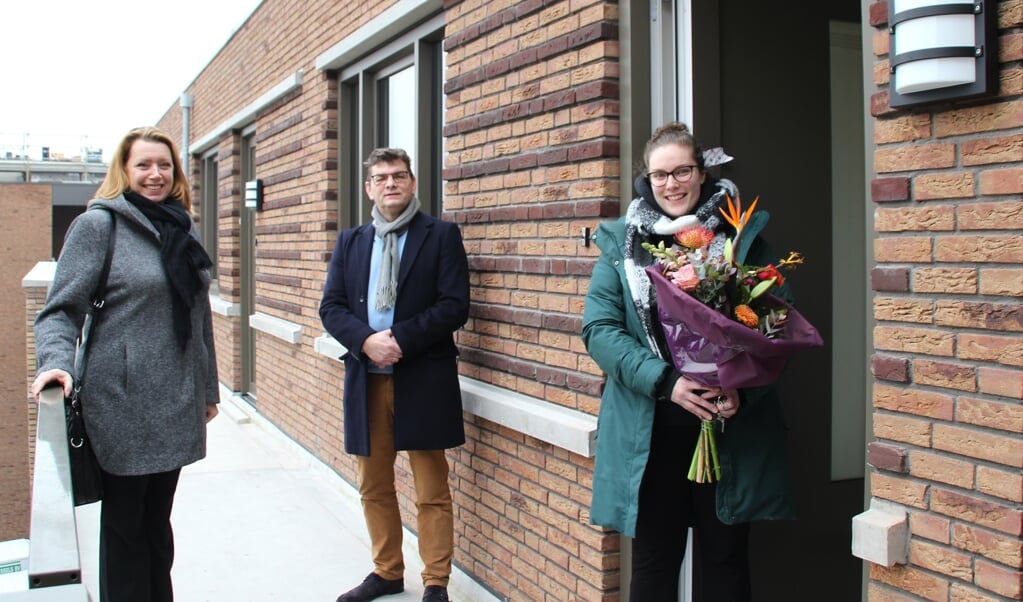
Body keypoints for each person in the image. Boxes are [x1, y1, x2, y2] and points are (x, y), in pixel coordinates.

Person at [581, 122, 795, 601]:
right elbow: (600, 331)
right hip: (650, 432)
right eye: (660, 175)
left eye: (682, 171)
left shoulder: (742, 237)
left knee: (725, 563)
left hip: (727, 429)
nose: (671, 184)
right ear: (646, 180)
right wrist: (667, 382)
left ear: (701, 172)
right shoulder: (621, 243)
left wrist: (744, 385)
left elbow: (777, 324)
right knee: (655, 567)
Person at [31, 126, 219, 602]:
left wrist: (209, 389)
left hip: (176, 403)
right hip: (121, 405)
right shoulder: (99, 227)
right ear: (124, 170)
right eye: (143, 165)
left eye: (164, 165)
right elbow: (60, 311)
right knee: (124, 533)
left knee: (157, 526)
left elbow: (200, 317)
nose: (155, 175)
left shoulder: (181, 226)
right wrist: (56, 364)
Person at [319, 148, 470, 602]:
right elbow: (331, 307)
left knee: (430, 488)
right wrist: (366, 341)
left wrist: (398, 338)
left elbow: (454, 305)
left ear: (412, 183)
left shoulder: (441, 235)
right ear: (369, 187)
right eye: (381, 178)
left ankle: (435, 581)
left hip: (422, 379)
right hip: (367, 380)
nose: (390, 184)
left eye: (398, 176)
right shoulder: (351, 242)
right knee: (374, 484)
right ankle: (386, 571)